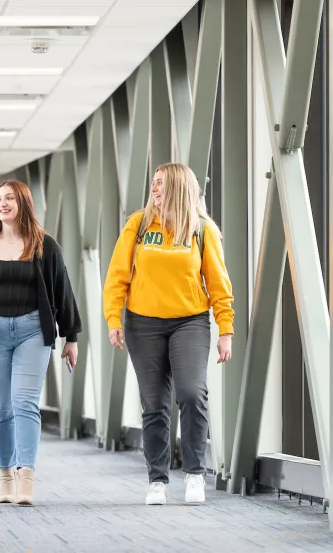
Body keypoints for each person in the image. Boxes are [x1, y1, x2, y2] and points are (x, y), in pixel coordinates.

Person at [103, 162, 234, 506]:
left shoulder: (202, 230)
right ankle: (157, 480)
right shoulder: (140, 224)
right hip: (142, 324)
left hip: (189, 322)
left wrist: (226, 328)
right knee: (155, 404)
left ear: (178, 186)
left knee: (192, 393)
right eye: (153, 183)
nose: (154, 189)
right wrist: (113, 318)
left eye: (161, 183)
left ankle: (194, 474)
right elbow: (118, 275)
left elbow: (219, 283)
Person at [0, 180, 81, 506]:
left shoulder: (44, 245)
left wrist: (71, 337)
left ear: (23, 203)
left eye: (9, 198)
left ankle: (26, 475)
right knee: (1, 407)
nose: (3, 203)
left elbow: (62, 291)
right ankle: (5, 476)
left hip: (32, 332)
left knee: (24, 403)